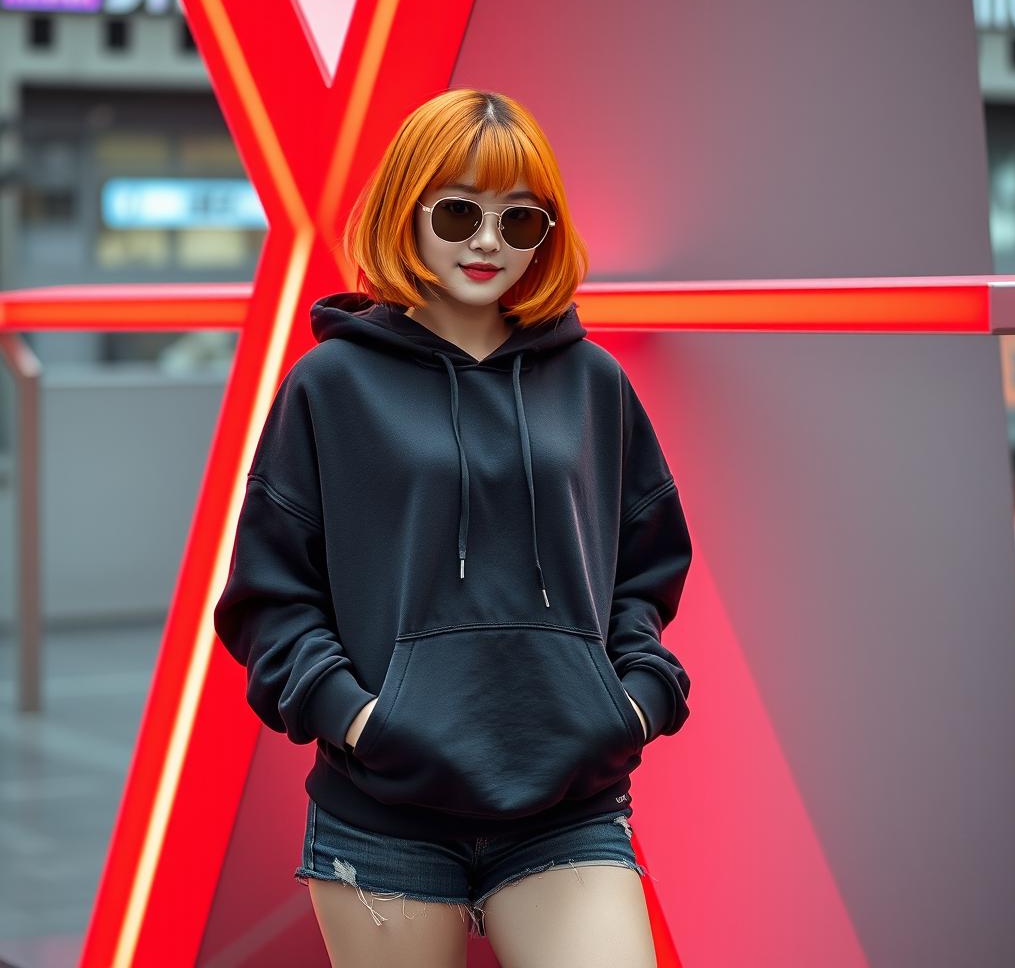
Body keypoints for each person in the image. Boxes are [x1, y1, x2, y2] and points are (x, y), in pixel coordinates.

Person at [213, 87, 693, 967]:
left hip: (568, 805)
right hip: (384, 810)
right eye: (461, 210)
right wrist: (360, 719)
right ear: (408, 208)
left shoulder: (592, 382)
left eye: (520, 222)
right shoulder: (330, 386)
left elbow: (647, 566)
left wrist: (633, 700)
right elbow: (268, 598)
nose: (486, 242)